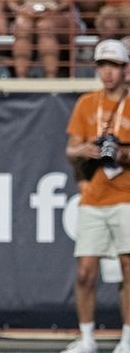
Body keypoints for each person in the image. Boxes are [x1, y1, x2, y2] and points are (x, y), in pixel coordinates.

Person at [63, 39, 130, 353]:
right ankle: (87, 337)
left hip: (127, 196)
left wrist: (123, 153)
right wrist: (85, 150)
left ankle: (128, 337)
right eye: (103, 65)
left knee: (128, 268)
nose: (108, 73)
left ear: (124, 69)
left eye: (114, 66)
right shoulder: (87, 103)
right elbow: (70, 150)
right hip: (94, 196)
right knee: (85, 271)